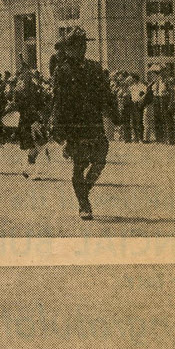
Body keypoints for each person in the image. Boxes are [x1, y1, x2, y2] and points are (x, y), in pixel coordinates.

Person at [50, 27, 115, 219]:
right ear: (69, 48)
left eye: (84, 44)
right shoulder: (61, 71)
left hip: (94, 122)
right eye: (78, 45)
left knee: (100, 160)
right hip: (74, 124)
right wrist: (58, 127)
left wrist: (113, 112)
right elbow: (58, 101)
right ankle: (84, 204)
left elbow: (105, 93)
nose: (82, 48)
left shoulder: (95, 67)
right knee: (79, 165)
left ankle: (83, 192)